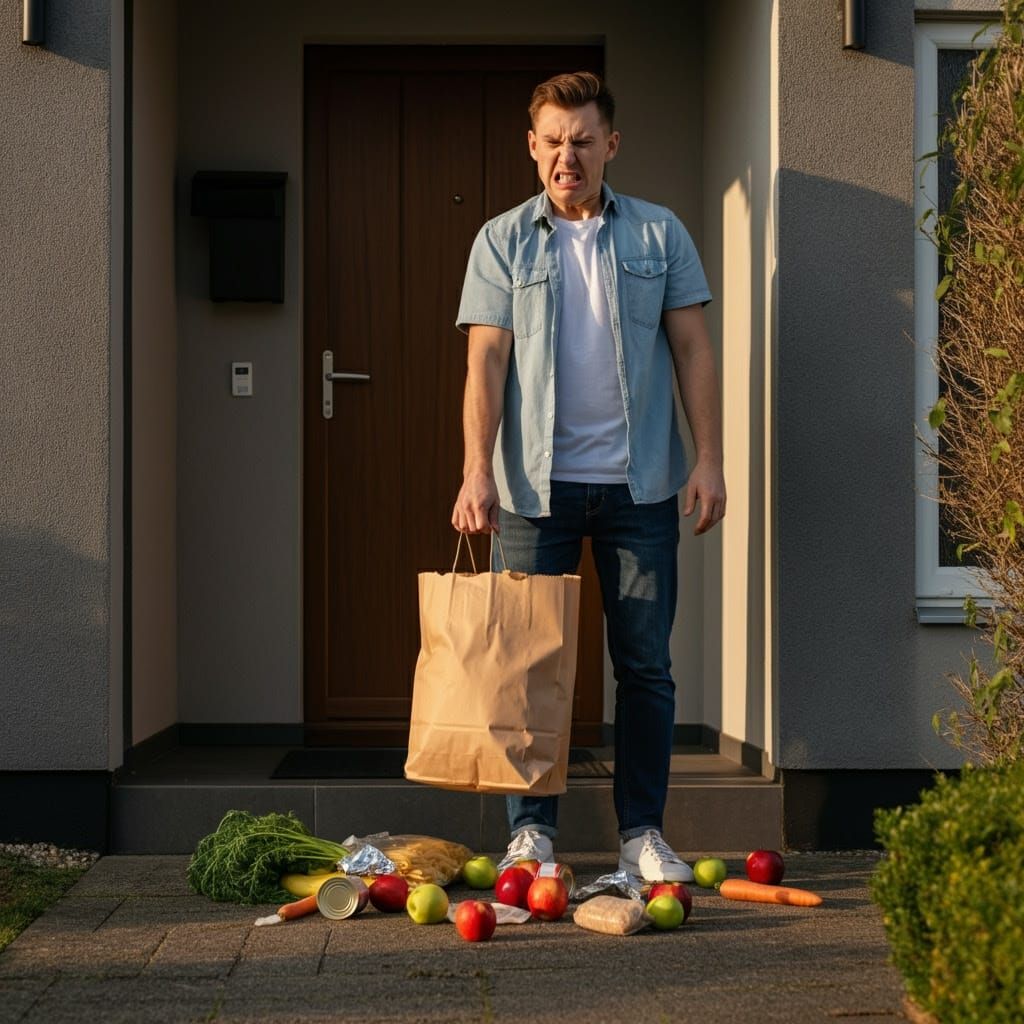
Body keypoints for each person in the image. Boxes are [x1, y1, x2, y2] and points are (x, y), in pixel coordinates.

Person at [451, 71, 725, 883]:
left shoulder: (658, 235)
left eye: (582, 139)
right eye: (552, 141)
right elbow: (486, 361)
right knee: (530, 666)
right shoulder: (501, 240)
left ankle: (642, 832)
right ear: (532, 147)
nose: (566, 156)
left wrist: (708, 458)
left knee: (644, 666)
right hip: (536, 491)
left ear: (611, 144)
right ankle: (531, 832)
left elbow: (692, 350)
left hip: (641, 486)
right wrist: (476, 471)